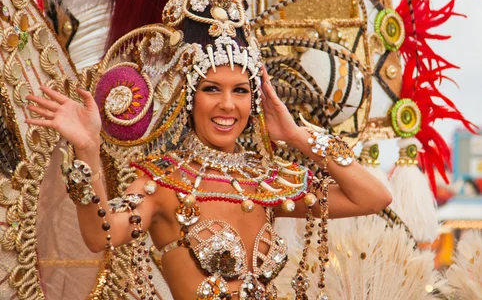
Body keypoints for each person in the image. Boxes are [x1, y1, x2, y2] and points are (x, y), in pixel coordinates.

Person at [25, 44, 391, 300]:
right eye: (211, 89)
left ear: (255, 101)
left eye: (241, 91)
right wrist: (87, 151)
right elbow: (100, 236)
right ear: (190, 98)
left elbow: (374, 197)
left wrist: (298, 136)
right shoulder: (165, 182)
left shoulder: (265, 183)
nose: (227, 105)